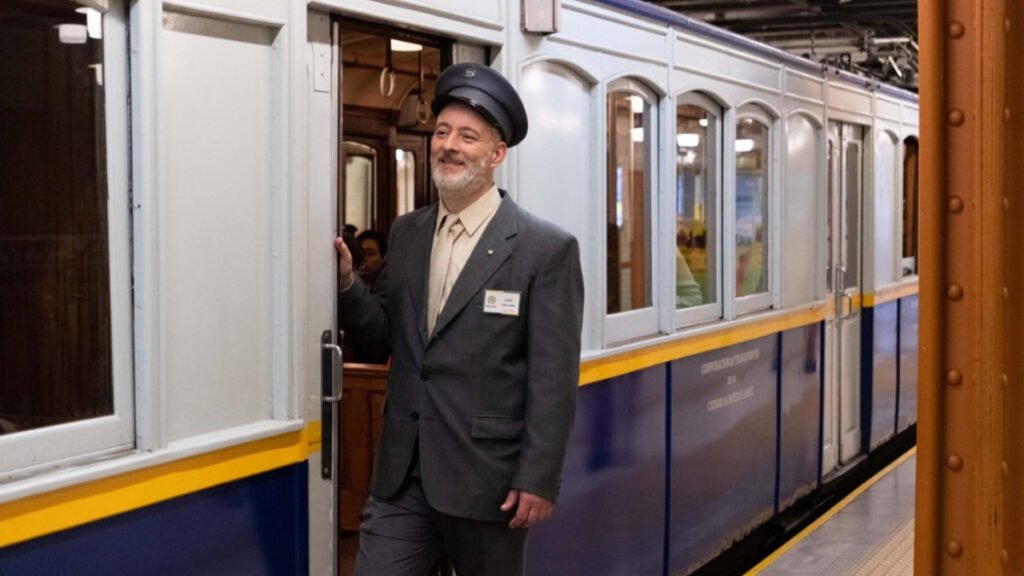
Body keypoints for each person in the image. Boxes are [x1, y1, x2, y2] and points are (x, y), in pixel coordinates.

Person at [334, 62, 585, 576]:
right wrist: (345, 284)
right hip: (403, 475)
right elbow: (388, 333)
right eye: (442, 132)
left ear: (496, 155)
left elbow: (554, 379)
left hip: (488, 483)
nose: (449, 145)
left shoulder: (544, 250)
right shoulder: (407, 233)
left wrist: (538, 477)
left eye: (467, 136)